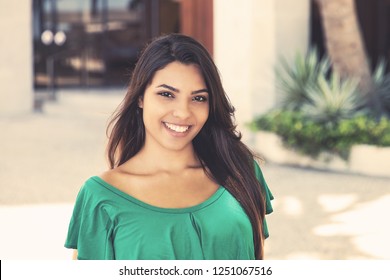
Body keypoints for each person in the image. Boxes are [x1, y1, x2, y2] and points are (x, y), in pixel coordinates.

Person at [64, 33, 273, 260]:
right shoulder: (101, 197)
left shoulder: (240, 170)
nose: (183, 112)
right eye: (166, 94)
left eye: (199, 98)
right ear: (140, 98)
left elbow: (259, 257)